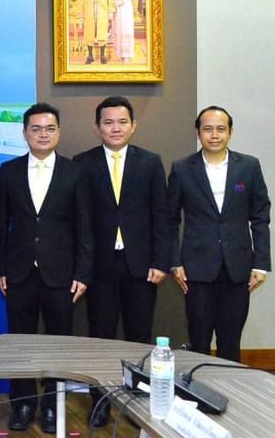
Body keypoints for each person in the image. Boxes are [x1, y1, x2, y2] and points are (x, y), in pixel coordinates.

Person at [74, 97, 169, 428]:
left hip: (141, 266)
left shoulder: (150, 162)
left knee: (138, 336)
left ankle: (136, 406)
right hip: (100, 266)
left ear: (133, 125)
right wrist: (82, 268)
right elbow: (80, 220)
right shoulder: (83, 163)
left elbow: (161, 216)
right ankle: (100, 402)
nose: (115, 128)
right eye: (108, 122)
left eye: (122, 122)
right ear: (97, 127)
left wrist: (161, 261)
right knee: (100, 337)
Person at [0, 103, 92, 434]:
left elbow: (85, 226)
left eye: (49, 129)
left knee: (57, 343)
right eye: (35, 129)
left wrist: (82, 273)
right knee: (20, 343)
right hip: (18, 272)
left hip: (61, 275)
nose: (42, 134)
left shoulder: (75, 172)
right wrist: (0, 269)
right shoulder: (9, 171)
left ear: (59, 133)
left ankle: (52, 407)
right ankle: (22, 405)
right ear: (24, 133)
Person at [168, 106, 270, 363]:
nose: (214, 135)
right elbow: (170, 219)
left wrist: (261, 264)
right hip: (196, 269)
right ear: (198, 132)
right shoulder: (182, 168)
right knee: (199, 339)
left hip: (238, 268)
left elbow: (260, 216)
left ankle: (229, 388)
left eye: (221, 129)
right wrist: (175, 261)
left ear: (230, 132)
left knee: (231, 340)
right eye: (208, 129)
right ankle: (199, 388)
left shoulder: (249, 166)